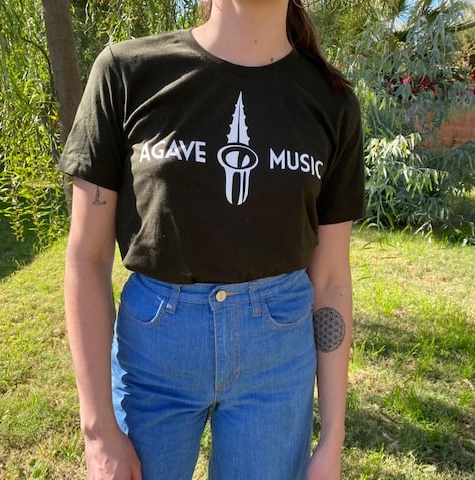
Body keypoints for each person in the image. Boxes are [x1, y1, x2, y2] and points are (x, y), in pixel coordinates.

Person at [59, 0, 365, 478]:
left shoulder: (331, 101)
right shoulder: (127, 72)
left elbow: (329, 281)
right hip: (154, 354)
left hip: (278, 357)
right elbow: (87, 256)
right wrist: (97, 430)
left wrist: (332, 440)